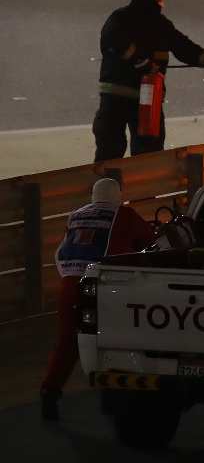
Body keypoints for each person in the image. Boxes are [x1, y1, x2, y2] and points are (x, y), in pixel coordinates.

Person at [41, 178, 155, 421]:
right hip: (105, 284)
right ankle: (115, 398)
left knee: (67, 340)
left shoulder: (76, 215)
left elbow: (61, 251)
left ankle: (50, 392)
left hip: (70, 283)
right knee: (118, 337)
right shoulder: (124, 214)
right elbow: (150, 240)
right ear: (118, 195)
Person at [94, 0, 204, 162]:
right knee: (145, 155)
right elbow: (187, 50)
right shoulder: (138, 21)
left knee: (114, 150)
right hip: (138, 99)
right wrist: (143, 64)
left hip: (128, 98)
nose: (162, 3)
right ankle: (138, 188)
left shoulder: (130, 19)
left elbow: (187, 50)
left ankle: (106, 188)